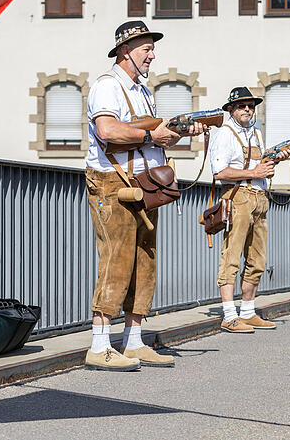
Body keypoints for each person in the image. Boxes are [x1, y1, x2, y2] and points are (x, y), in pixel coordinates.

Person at [84, 21, 206, 371]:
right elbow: (108, 131)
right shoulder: (108, 86)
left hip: (142, 183)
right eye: (146, 49)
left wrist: (179, 133)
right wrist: (155, 136)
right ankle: (99, 345)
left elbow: (150, 136)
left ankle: (133, 341)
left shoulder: (140, 89)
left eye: (152, 48)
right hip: (112, 182)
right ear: (126, 51)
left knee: (144, 260)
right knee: (116, 259)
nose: (153, 55)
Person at [209, 87, 290, 334]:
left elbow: (260, 165)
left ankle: (247, 311)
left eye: (251, 106)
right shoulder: (224, 134)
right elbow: (220, 172)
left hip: (259, 197)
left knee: (257, 259)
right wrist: (254, 173)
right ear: (231, 109)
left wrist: (274, 161)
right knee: (231, 257)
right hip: (238, 197)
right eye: (242, 105)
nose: (248, 109)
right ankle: (228, 314)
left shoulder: (255, 133)